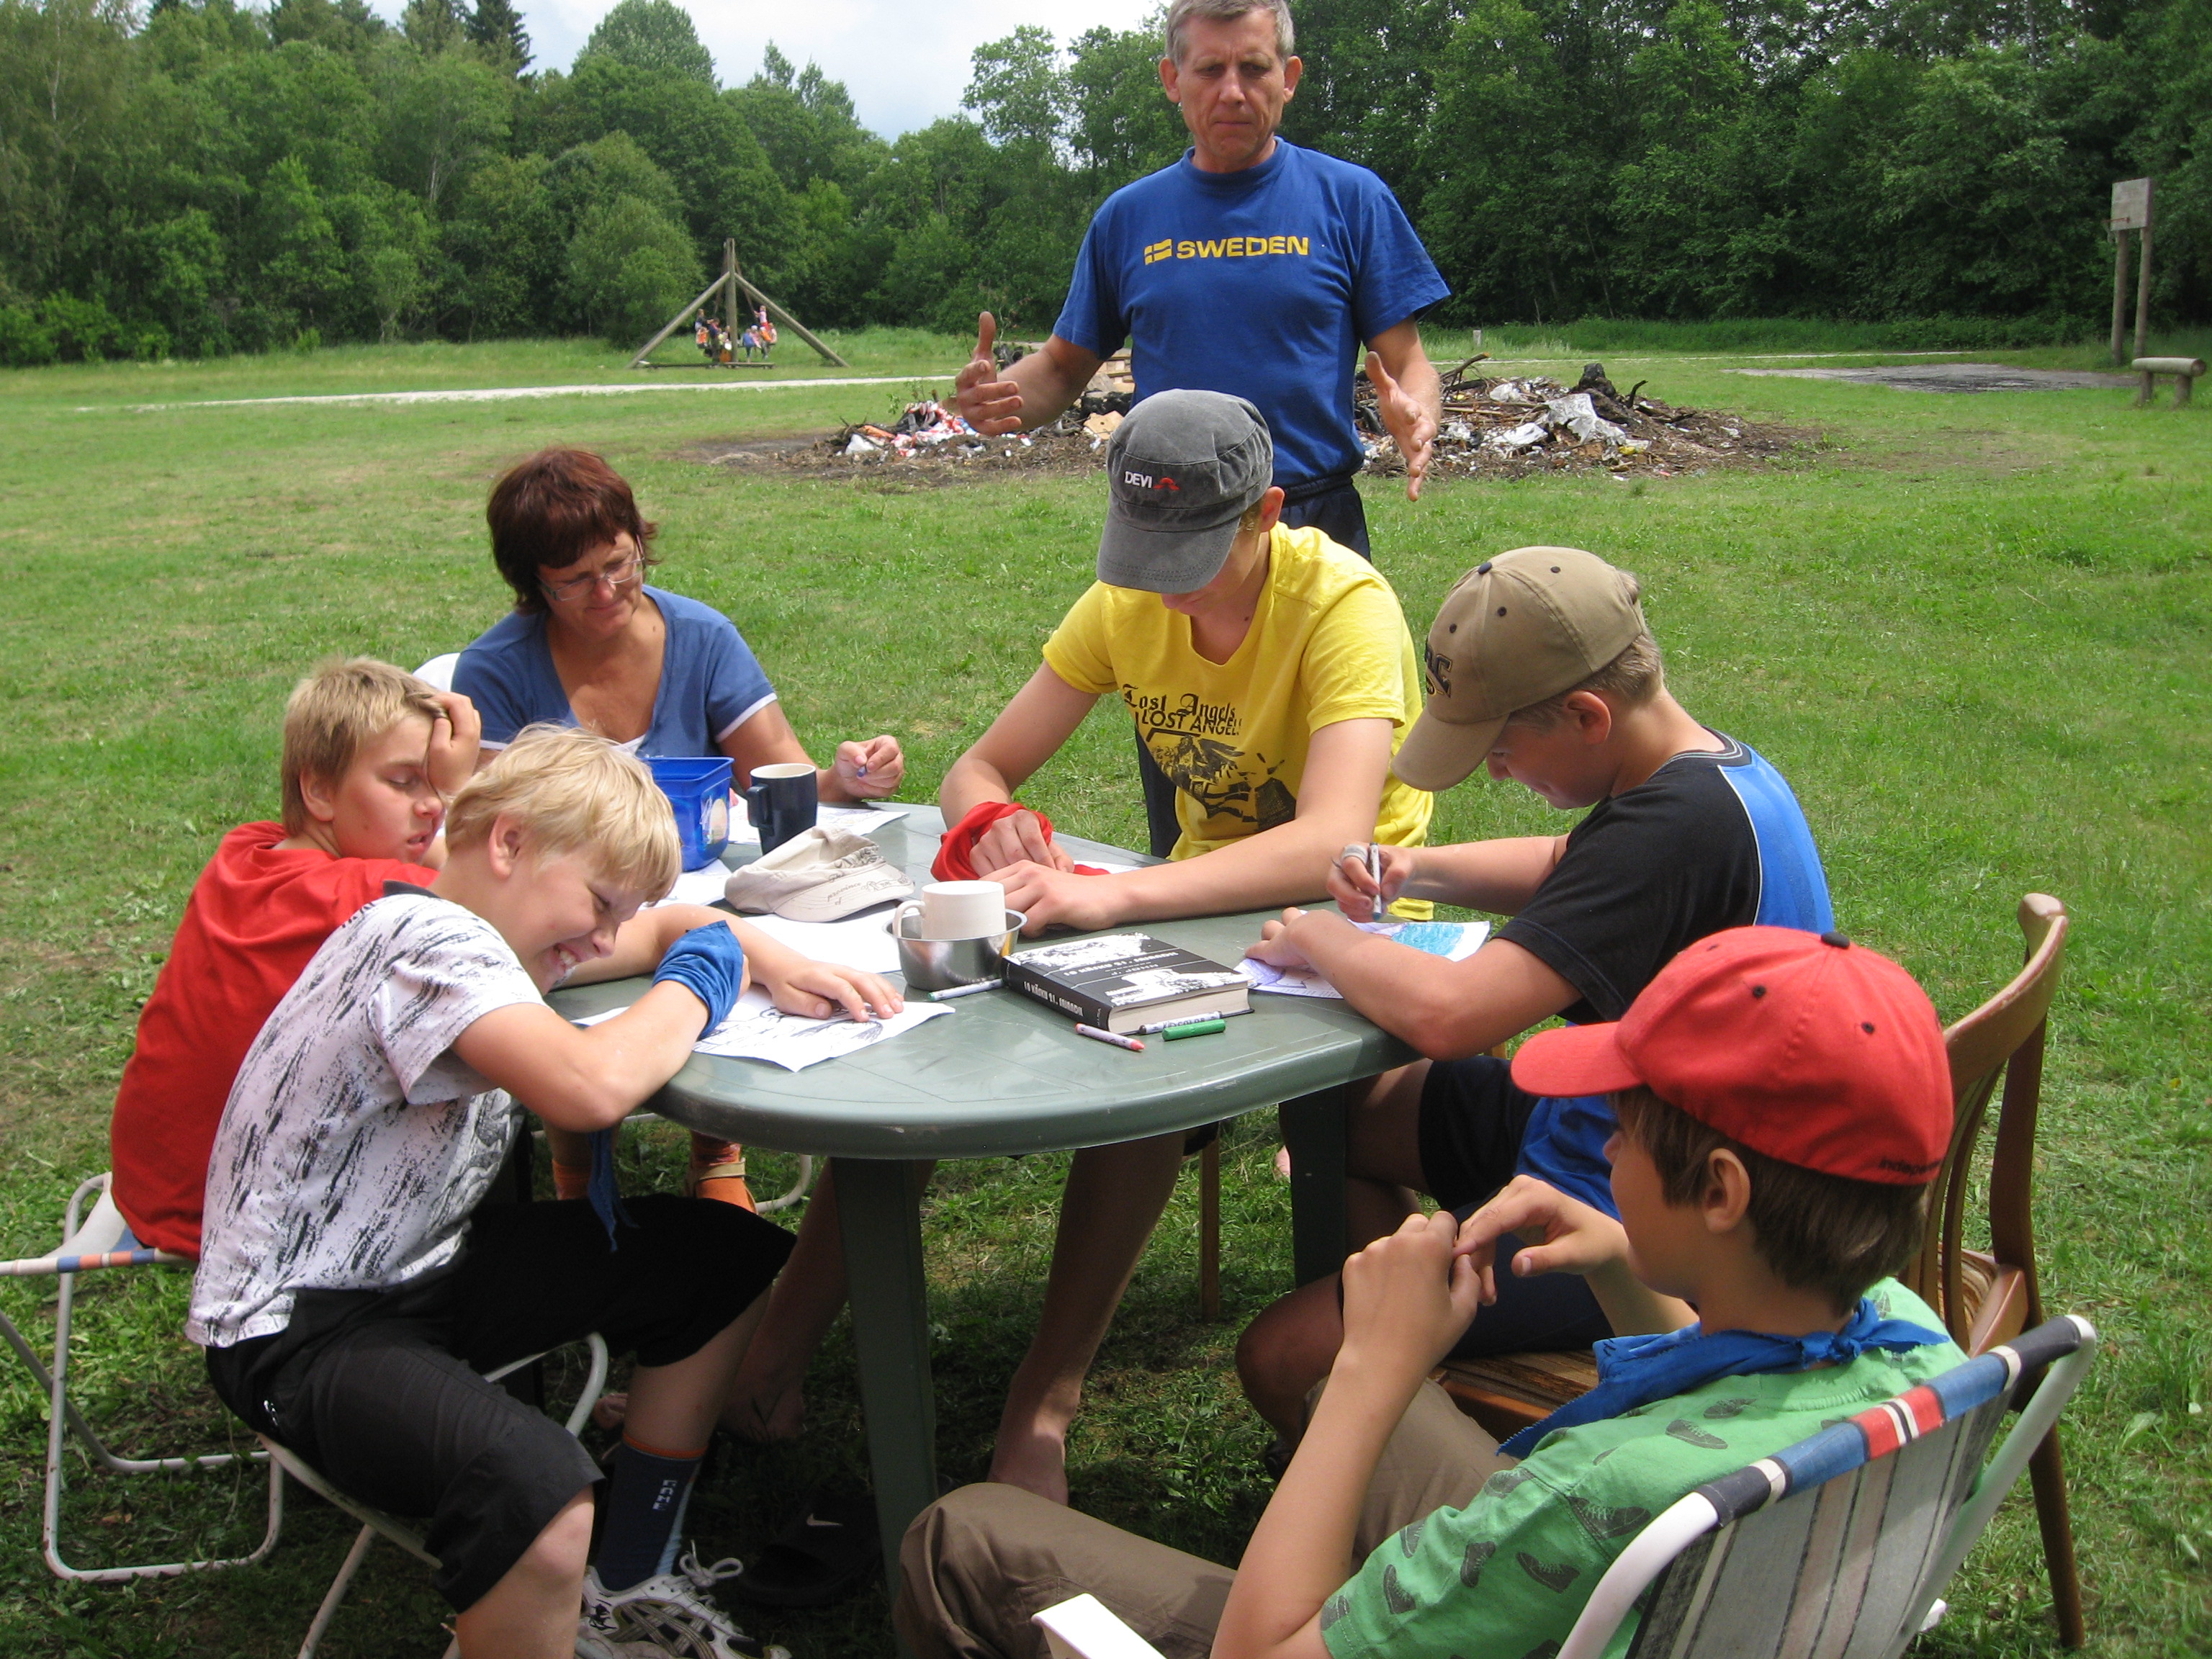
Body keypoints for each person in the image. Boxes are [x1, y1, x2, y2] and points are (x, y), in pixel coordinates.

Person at [719, 390, 1431, 1505]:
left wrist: (1115, 899)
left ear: (1269, 514)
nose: (1162, 584)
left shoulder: (1345, 604)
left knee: (1135, 1061)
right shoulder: (1125, 600)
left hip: (1349, 927)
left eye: (1191, 557)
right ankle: (771, 1359)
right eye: (1145, 553)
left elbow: (1332, 841)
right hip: (1192, 909)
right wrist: (992, 819)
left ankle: (1043, 1401)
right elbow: (978, 766)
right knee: (921, 1026)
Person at [894, 925, 1966, 1659]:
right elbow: (1720, 1365)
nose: (1603, 1148)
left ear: (1721, 1192)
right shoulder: (1913, 1342)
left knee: (964, 1535)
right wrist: (1614, 1256)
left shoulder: (1589, 1496)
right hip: (1628, 1603)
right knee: (1337, 1393)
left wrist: (1371, 1363)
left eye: (1621, 1129)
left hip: (1531, 1585)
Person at [190, 725, 900, 1659]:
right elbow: (589, 1088)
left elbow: (670, 927)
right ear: (510, 841)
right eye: (599, 903)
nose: (603, 938)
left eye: (617, 913)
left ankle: (628, 1578)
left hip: (422, 1274)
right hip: (300, 1330)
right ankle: (577, 1570)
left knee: (723, 1257)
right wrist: (702, 983)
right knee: (541, 1499)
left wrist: (756, 951)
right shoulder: (423, 942)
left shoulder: (497, 939)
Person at [1233, 546, 1837, 1442]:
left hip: (1650, 1217)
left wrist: (1318, 935)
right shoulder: (1707, 776)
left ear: (1588, 715)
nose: (1495, 772)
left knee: (1280, 1357)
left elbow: (1451, 1015)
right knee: (1341, 1119)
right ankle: (1410, 1332)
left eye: (1501, 748)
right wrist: (1415, 868)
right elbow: (1568, 864)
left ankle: (1392, 1430)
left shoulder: (1668, 834)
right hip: (1622, 1129)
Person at [953, 0, 1449, 859]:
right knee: (1201, 763)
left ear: (1289, 79)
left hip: (1307, 510)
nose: (1232, 90)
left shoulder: (1349, 199)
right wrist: (1003, 399)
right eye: (1210, 69)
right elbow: (1063, 368)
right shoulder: (1130, 217)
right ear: (1171, 80)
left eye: (1254, 68)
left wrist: (1418, 409)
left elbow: (1409, 361)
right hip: (1174, 520)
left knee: (1331, 783)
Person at [454, 446, 904, 1210]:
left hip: (698, 889)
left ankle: (716, 1148)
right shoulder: (497, 669)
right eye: (575, 581)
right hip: (571, 908)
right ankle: (575, 1164)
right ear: (534, 584)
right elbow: (496, 845)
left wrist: (846, 778)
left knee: (739, 935)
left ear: (640, 542)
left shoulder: (700, 636)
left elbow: (778, 776)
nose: (607, 592)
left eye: (619, 564)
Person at [109, 658, 478, 1257]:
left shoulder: (247, 849)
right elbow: (516, 919)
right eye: (404, 782)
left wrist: (431, 803)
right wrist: (461, 796)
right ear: (319, 791)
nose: (431, 806)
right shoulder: (363, 897)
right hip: (241, 1226)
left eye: (435, 785)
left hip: (158, 1187)